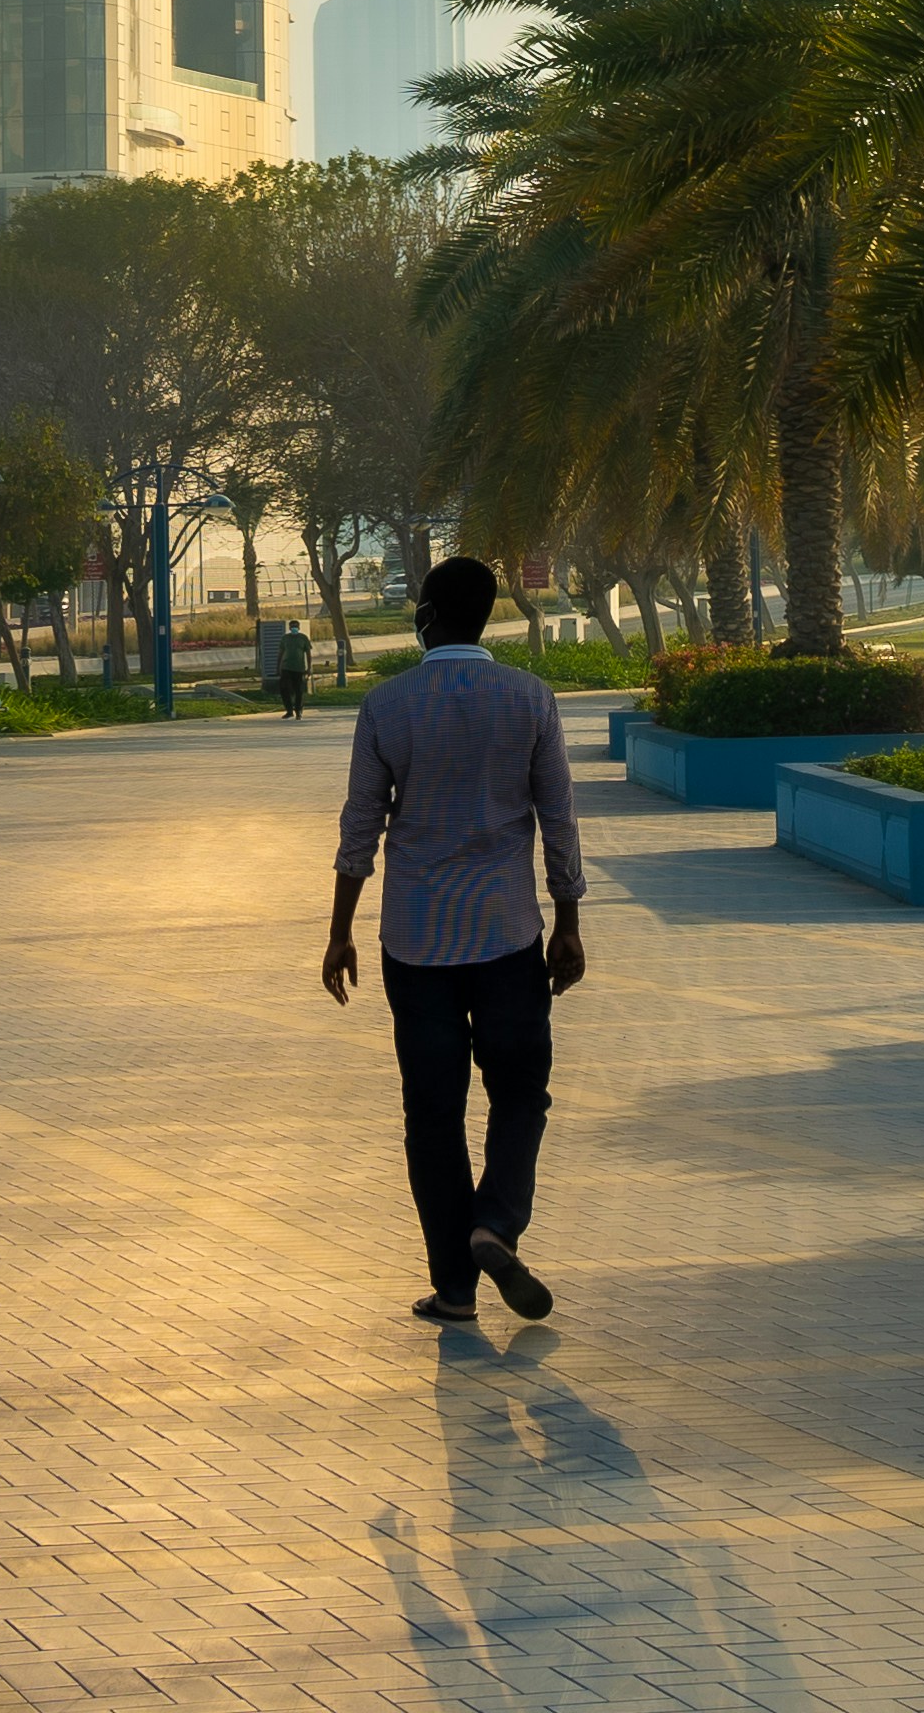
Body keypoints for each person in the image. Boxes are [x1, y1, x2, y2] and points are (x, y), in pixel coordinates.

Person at [324, 554, 589, 1323]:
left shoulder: (387, 705)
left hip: (415, 941)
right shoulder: (530, 698)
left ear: (428, 615)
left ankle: (455, 1288)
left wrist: (339, 931)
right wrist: (567, 920)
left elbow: (360, 823)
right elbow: (558, 819)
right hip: (508, 935)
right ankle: (495, 1224)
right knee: (520, 1095)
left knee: (432, 1113)